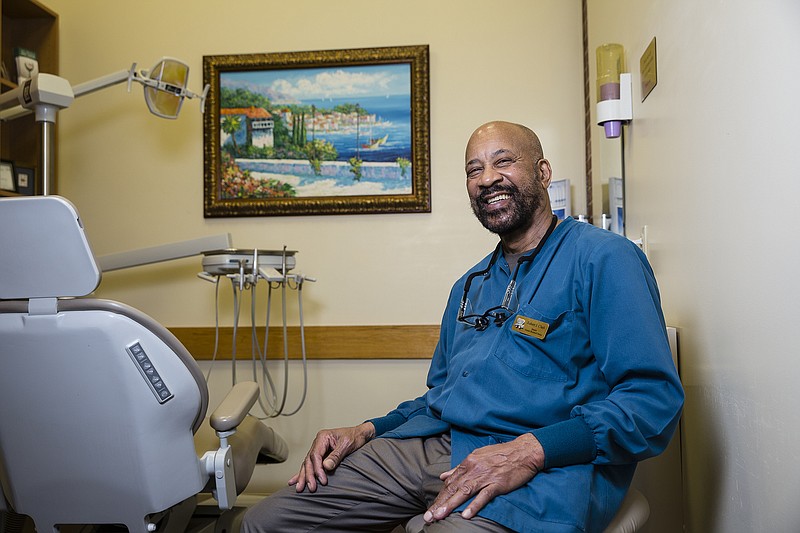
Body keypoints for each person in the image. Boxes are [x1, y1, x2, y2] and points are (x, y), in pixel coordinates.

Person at [242, 121, 684, 533]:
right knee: (263, 523)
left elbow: (651, 401)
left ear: (544, 171)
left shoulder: (605, 259)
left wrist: (528, 450)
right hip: (441, 445)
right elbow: (440, 399)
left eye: (503, 161)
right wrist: (368, 429)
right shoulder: (469, 286)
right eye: (474, 169)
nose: (487, 177)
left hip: (547, 463)